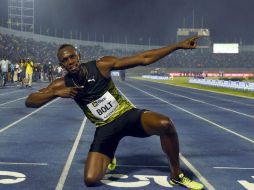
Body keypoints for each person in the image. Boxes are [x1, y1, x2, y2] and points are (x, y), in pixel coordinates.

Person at [25, 36, 204, 190]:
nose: (70, 62)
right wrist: (55, 93)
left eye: (72, 57)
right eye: (65, 60)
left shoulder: (101, 65)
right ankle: (110, 153)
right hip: (105, 128)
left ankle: (176, 175)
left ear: (78, 56)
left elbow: (144, 58)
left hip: (127, 115)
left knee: (165, 124)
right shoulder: (61, 84)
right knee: (90, 180)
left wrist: (177, 46)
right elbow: (30, 101)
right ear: (61, 65)